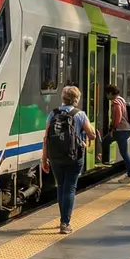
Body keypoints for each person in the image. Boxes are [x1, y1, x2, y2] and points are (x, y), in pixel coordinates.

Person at [42, 86, 97, 234]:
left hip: (55, 157)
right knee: (70, 187)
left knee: (60, 186)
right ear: (76, 99)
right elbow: (92, 135)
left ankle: (62, 219)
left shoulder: (52, 114)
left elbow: (46, 138)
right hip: (74, 157)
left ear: (63, 98)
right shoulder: (79, 114)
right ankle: (65, 223)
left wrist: (44, 159)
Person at [107, 84, 130, 182]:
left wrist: (112, 129)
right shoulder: (121, 99)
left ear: (110, 93)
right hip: (125, 129)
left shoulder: (115, 102)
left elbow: (117, 117)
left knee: (123, 153)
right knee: (124, 152)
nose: (106, 96)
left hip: (120, 130)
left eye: (107, 94)